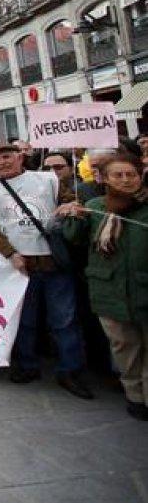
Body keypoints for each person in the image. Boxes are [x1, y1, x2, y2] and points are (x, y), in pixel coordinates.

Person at [0, 142, 90, 398]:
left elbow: (71, 203)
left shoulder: (47, 179)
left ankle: (70, 371)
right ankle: (27, 365)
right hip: (19, 263)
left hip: (53, 260)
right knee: (24, 320)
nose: (3, 162)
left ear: (20, 157)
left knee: (64, 320)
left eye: (7, 157)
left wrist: (70, 207)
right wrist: (8, 252)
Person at [62, 152, 148, 420]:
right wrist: (74, 217)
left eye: (130, 174)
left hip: (144, 289)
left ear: (140, 176)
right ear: (105, 179)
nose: (125, 180)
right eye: (118, 175)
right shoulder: (96, 206)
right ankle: (135, 397)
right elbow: (74, 239)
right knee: (124, 347)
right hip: (109, 291)